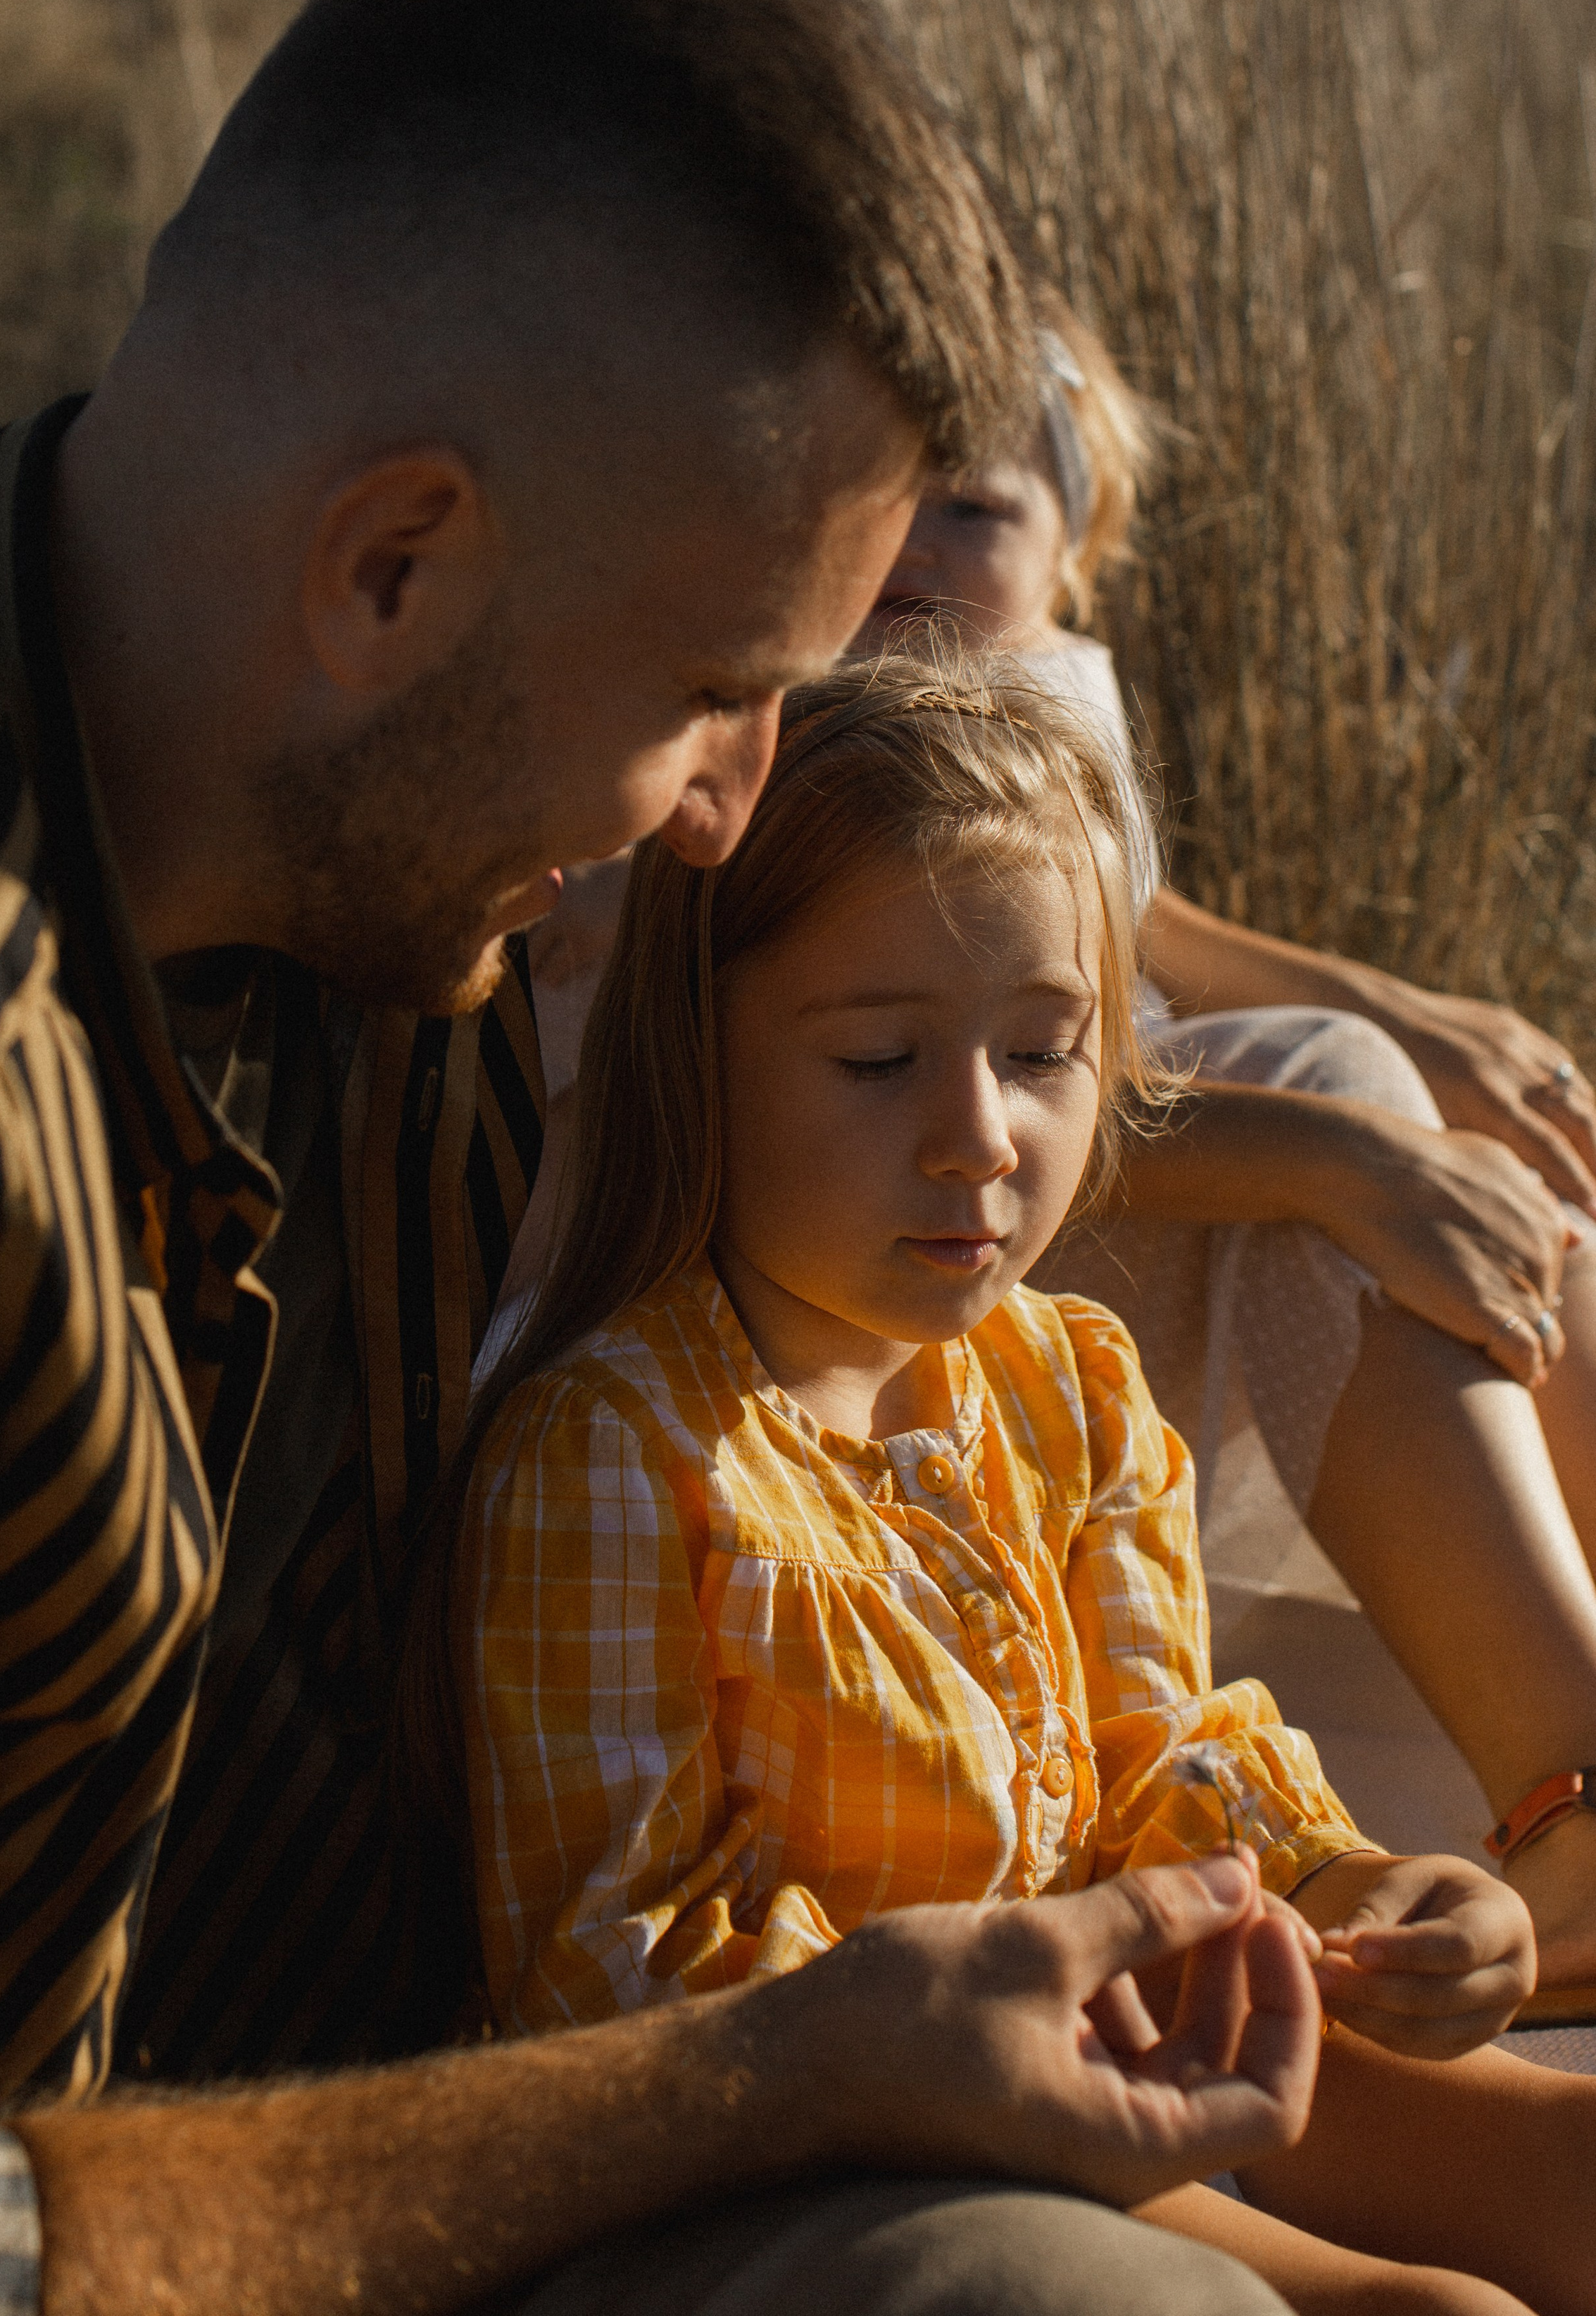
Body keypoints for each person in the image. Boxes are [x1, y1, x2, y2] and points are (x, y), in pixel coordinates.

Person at [0, 0, 1313, 2316]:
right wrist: (787, 2069)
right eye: (720, 689)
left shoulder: (380, 832)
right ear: (393, 567)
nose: (727, 813)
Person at [450, 651, 1587, 2316]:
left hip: (1137, 2019)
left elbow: (1153, 1755)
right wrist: (998, 2026)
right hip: (875, 2126)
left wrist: (1350, 1889)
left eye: (1042, 1055)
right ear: (696, 1053)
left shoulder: (1063, 1382)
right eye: (874, 1062)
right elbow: (611, 1974)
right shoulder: (614, 1453)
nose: (978, 1137)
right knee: (1434, 2314)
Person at [860, 287, 1596, 2017]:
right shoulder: (814, 741)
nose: (910, 539)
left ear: (1076, 559)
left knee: (1489, 1150)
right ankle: (1569, 1802)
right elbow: (919, 1112)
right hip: (922, 1280)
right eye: (880, 485)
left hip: (1042, 1228)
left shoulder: (1032, 696)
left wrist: (1405, 1024)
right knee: (1342, 1114)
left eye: (969, 507)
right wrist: (1329, 1138)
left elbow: (1139, 932)